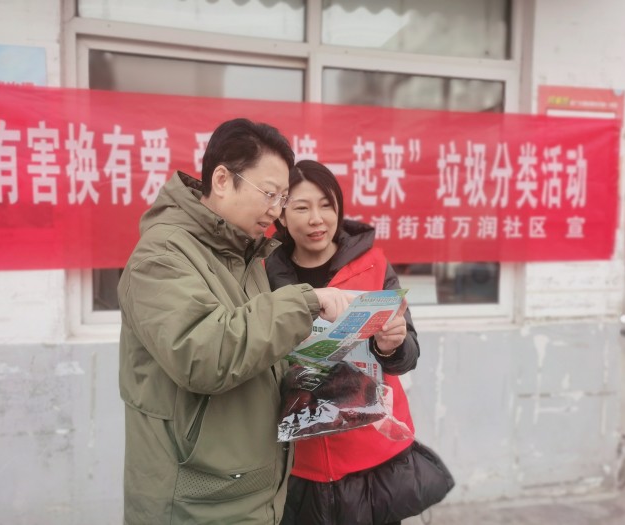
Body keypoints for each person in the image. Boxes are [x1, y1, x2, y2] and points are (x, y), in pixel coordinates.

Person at [117, 119, 353, 524]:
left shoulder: (243, 254)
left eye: (283, 197)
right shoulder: (161, 257)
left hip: (251, 491)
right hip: (196, 501)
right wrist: (304, 303)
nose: (276, 210)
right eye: (270, 194)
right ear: (223, 180)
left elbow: (253, 350)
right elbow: (204, 355)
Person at [266, 160, 421, 525]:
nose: (316, 219)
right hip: (296, 462)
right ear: (282, 215)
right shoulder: (264, 275)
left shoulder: (373, 264)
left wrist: (391, 344)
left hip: (370, 458)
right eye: (301, 207)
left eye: (326, 205)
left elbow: (408, 353)